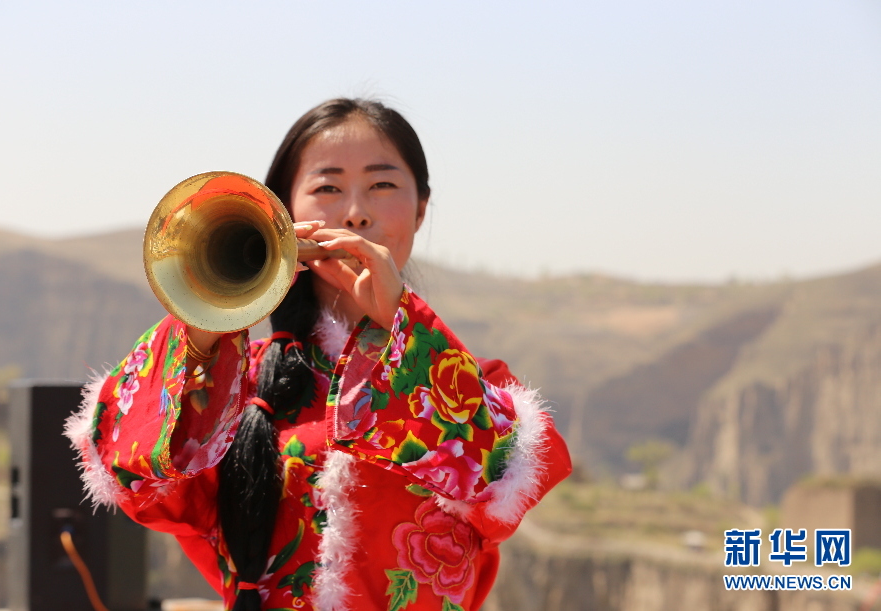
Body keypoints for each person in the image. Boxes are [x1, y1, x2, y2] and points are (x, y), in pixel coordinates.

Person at [66, 98, 572, 611]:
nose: (355, 212)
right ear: (284, 214)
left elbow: (503, 489)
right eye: (327, 187)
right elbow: (130, 476)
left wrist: (399, 319)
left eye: (383, 185)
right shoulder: (233, 386)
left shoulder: (476, 385)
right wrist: (200, 329)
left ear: (421, 209)